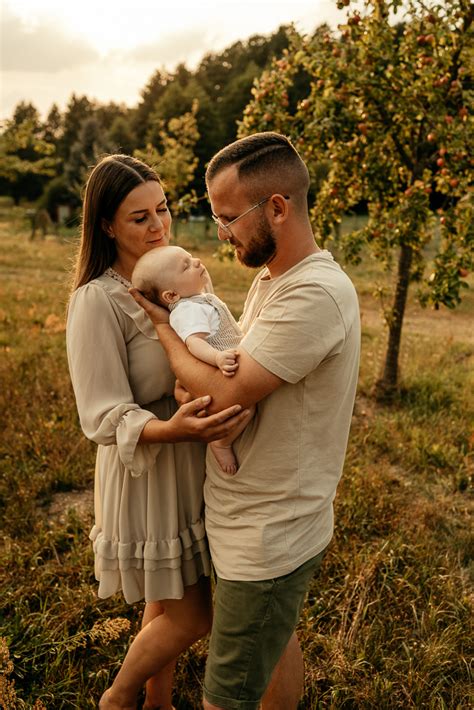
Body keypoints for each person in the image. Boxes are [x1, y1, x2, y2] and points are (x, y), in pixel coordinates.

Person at [130, 132, 361, 710]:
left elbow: (228, 384)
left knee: (225, 695)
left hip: (271, 530)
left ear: (277, 208)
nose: (220, 232)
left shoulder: (314, 293)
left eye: (228, 217)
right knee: (275, 643)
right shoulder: (272, 278)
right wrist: (198, 380)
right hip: (253, 518)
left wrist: (164, 327)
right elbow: (222, 370)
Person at [65, 154, 250, 710]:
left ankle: (159, 700)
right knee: (194, 616)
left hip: (188, 455)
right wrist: (172, 431)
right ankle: (117, 699)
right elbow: (99, 412)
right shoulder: (96, 300)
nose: (159, 226)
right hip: (147, 465)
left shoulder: (171, 280)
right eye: (139, 217)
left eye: (163, 209)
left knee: (165, 599)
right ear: (106, 225)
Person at [131, 245, 254, 474]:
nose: (196, 262)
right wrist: (217, 357)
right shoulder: (187, 309)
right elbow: (194, 343)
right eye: (186, 266)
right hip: (217, 370)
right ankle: (222, 442)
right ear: (172, 295)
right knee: (247, 409)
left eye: (191, 257)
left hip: (225, 360)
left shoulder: (199, 300)